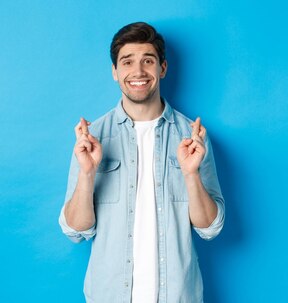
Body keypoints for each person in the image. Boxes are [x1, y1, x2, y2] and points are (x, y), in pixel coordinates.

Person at [59, 22, 225, 302]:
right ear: (115, 72)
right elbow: (75, 231)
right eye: (127, 62)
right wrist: (87, 174)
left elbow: (209, 228)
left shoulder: (192, 137)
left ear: (162, 68)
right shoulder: (93, 137)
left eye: (148, 61)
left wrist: (191, 174)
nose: (138, 72)